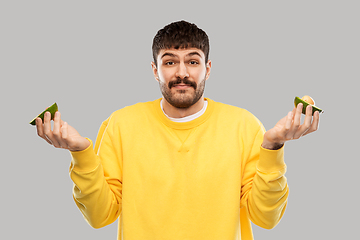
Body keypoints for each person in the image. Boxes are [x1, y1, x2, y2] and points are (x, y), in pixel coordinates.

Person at [35, 20, 320, 240]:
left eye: (192, 61)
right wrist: (81, 152)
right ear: (155, 70)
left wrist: (272, 146)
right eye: (170, 62)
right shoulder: (121, 124)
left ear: (207, 68)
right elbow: (100, 216)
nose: (181, 72)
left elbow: (266, 218)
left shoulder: (244, 126)